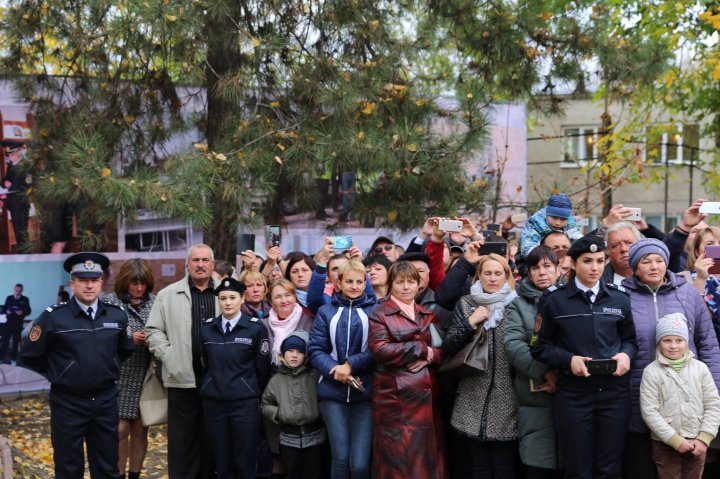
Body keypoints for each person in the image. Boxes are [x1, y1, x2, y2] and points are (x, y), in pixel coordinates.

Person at [531, 235, 637, 479]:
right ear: (573, 262)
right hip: (574, 394)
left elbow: (630, 340)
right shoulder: (554, 300)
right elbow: (538, 347)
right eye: (587, 261)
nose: (595, 267)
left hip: (614, 394)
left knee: (609, 468)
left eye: (600, 261)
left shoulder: (619, 298)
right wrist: (569, 359)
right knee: (577, 468)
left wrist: (625, 355)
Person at [20, 252, 134, 479]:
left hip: (105, 401)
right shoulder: (53, 317)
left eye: (94, 280)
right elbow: (30, 355)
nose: (89, 286)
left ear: (102, 282)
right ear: (72, 284)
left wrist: (104, 367)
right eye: (83, 280)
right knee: (68, 468)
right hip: (68, 403)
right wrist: (61, 373)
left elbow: (124, 350)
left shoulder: (117, 316)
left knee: (107, 467)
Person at [621, 238, 720, 478]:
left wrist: (715, 389)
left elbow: (706, 341)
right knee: (643, 467)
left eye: (659, 261)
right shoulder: (621, 295)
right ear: (635, 267)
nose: (654, 267)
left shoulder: (686, 293)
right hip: (639, 395)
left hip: (688, 402)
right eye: (646, 262)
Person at [146, 243, 219, 479]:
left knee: (212, 440)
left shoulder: (225, 293)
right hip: (181, 379)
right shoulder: (168, 295)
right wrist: (169, 357)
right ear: (187, 264)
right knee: (182, 443)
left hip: (217, 380)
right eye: (195, 260)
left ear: (212, 265)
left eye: (205, 260)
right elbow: (153, 331)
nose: (200, 265)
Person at [443, 253, 519, 479]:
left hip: (508, 397)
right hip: (471, 395)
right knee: (479, 468)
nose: (493, 278)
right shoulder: (467, 303)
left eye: (498, 273)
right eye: (487, 273)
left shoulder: (516, 305)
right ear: (479, 276)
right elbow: (448, 347)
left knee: (504, 467)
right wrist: (470, 322)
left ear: (507, 276)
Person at [368, 261, 447, 479]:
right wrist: (421, 348)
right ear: (391, 284)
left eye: (411, 282)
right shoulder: (380, 313)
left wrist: (431, 356)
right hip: (395, 399)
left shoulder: (426, 313)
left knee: (428, 460)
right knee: (399, 461)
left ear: (418, 284)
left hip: (428, 398)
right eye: (400, 282)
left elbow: (445, 349)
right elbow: (380, 349)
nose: (406, 287)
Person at [308, 260, 376, 479]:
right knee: (340, 458)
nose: (354, 286)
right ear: (338, 283)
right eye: (349, 281)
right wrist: (336, 370)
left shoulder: (376, 311)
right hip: (332, 393)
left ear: (366, 284)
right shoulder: (326, 311)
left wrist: (351, 365)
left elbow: (378, 349)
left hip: (365, 393)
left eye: (359, 281)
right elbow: (316, 349)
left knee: (359, 463)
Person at [201, 277, 271, 479]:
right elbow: (204, 362)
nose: (228, 303)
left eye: (232, 298)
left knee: (245, 459)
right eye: (223, 298)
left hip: (243, 404)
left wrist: (247, 388)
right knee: (221, 461)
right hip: (214, 404)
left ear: (242, 299)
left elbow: (262, 367)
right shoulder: (207, 328)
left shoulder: (255, 328)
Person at [504, 246, 563, 478]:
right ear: (528, 272)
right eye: (536, 267)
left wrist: (563, 373)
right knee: (540, 463)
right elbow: (514, 345)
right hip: (535, 396)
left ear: (558, 270)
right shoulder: (519, 305)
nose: (542, 272)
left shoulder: (571, 299)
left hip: (571, 391)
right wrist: (546, 371)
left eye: (548, 266)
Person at [640, 312, 720, 479]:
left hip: (697, 441)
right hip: (665, 443)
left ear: (687, 342)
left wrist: (704, 438)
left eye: (679, 340)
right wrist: (674, 440)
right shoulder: (651, 372)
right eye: (666, 340)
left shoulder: (700, 369)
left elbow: (713, 404)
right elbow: (649, 411)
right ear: (658, 343)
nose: (673, 346)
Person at [102, 259, 156, 479]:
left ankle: (135, 474)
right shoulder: (109, 302)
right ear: (125, 281)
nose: (139, 288)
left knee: (140, 429)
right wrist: (128, 339)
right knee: (119, 430)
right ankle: (119, 474)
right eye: (134, 283)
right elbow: (102, 339)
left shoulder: (155, 302)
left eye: (143, 283)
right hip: (119, 374)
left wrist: (152, 339)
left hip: (146, 374)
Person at [261, 331, 326, 479]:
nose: (294, 355)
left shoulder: (315, 376)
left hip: (315, 437)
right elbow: (265, 404)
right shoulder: (276, 380)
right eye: (290, 351)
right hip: (288, 440)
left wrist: (320, 412)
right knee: (291, 473)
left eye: (300, 352)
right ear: (283, 353)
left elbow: (326, 398)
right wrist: (278, 413)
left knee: (314, 474)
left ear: (306, 355)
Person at [266, 279, 315, 366]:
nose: (284, 300)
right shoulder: (263, 325)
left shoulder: (309, 321)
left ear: (295, 297)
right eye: (278, 297)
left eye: (288, 295)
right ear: (271, 302)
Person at [519, 193, 582, 258]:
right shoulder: (536, 223)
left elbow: (576, 235)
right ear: (547, 213)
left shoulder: (570, 221)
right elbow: (527, 247)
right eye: (554, 218)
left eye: (563, 219)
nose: (558, 223)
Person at [686, 226, 720, 341]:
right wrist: (701, 278)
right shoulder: (686, 280)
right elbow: (693, 319)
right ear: (697, 251)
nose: (717, 247)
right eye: (710, 244)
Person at [0, 283, 31, 365]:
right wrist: (6, 311)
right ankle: (1, 358)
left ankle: (13, 359)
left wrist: (22, 312)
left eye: (19, 291)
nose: (17, 292)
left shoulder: (25, 299)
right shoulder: (9, 298)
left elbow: (28, 311)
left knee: (15, 343)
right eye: (16, 290)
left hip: (18, 324)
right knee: (4, 341)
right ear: (14, 289)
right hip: (8, 323)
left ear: (22, 291)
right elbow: (3, 309)